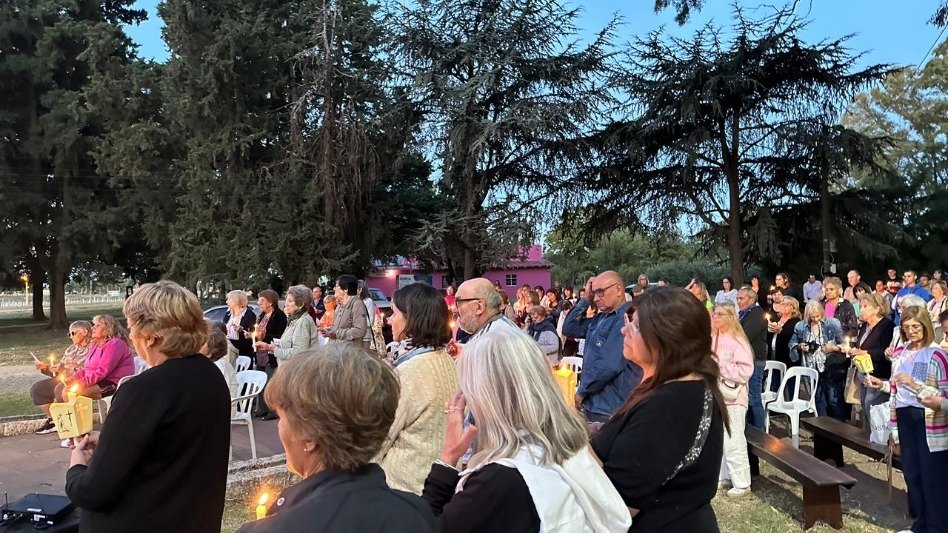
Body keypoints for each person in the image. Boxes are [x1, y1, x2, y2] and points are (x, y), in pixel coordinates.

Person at [422, 328, 632, 532]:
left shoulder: (499, 481)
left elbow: (426, 526)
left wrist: (447, 459)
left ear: (485, 398)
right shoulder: (565, 446)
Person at [66, 281, 230, 532]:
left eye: (131, 327)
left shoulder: (142, 390)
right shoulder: (210, 375)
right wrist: (112, 440)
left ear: (150, 335)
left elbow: (93, 492)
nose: (130, 336)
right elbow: (173, 447)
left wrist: (76, 466)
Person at [238, 344, 437, 532]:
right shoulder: (417, 514)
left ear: (309, 435)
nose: (279, 427)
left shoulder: (276, 527)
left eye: (281, 417)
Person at [593, 287, 726, 531]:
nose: (624, 330)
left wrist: (570, 440)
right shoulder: (676, 388)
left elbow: (619, 504)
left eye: (635, 326)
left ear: (665, 339)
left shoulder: (673, 405)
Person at [864, 307, 948, 533]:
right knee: (912, 472)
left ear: (925, 325)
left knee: (932, 475)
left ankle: (938, 527)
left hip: (927, 418)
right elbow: (896, 386)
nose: (911, 331)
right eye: (906, 327)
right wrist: (881, 384)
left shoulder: (937, 354)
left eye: (915, 326)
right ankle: (920, 524)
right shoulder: (901, 352)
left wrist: (915, 385)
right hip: (903, 414)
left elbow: (943, 394)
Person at [374, 283, 458, 494]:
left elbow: (380, 437)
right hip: (438, 481)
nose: (389, 320)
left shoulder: (410, 372)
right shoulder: (445, 359)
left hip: (405, 487)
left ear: (411, 320)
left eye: (394, 313)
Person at [562, 271, 642, 424]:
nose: (596, 298)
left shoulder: (626, 318)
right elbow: (569, 329)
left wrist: (582, 391)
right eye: (594, 293)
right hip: (594, 403)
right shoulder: (600, 318)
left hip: (608, 406)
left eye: (600, 292)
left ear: (618, 290)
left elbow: (609, 364)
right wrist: (585, 299)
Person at [711, 303, 754, 498]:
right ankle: (724, 477)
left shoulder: (738, 341)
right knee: (719, 439)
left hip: (734, 397)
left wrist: (720, 366)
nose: (715, 317)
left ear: (730, 317)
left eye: (720, 314)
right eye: (714, 314)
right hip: (715, 394)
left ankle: (742, 483)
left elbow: (745, 370)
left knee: (734, 439)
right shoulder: (713, 338)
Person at [32, 321, 93, 434]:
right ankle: (54, 421)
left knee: (60, 389)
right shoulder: (71, 349)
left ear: (84, 332)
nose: (70, 336)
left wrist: (69, 372)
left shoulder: (94, 348)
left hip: (82, 380)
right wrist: (47, 368)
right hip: (65, 379)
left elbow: (90, 370)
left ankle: (70, 424)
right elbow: (60, 372)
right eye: (69, 334)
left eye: (73, 333)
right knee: (38, 389)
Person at [790, 301, 846, 420]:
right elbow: (792, 342)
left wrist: (832, 348)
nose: (815, 319)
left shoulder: (832, 323)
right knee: (818, 399)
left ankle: (839, 425)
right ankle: (823, 425)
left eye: (818, 316)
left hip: (829, 365)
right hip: (811, 367)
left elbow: (844, 345)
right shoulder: (801, 326)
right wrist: (800, 346)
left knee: (833, 399)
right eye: (812, 317)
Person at [60, 315, 135, 404]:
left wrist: (80, 383)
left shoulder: (116, 344)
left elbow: (102, 371)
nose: (93, 328)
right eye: (94, 325)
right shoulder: (96, 344)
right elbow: (87, 369)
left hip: (113, 382)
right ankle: (70, 413)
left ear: (109, 328)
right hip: (98, 380)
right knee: (64, 389)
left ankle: (80, 413)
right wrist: (73, 379)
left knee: (73, 394)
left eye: (98, 325)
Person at [845, 293, 894, 427]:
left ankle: (878, 437)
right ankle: (867, 436)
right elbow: (861, 345)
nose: (861, 309)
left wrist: (863, 352)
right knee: (865, 408)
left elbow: (884, 352)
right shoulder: (865, 326)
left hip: (879, 374)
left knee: (872, 408)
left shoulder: (887, 326)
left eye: (865, 306)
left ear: (877, 309)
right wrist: (851, 348)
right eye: (861, 306)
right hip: (864, 373)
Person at [256, 285, 318, 361]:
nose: (286, 304)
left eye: (290, 301)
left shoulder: (302, 322)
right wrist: (268, 347)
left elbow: (299, 353)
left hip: (295, 367)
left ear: (300, 305)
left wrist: (275, 350)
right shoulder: (294, 319)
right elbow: (287, 345)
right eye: (286, 300)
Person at [252, 289, 287, 419]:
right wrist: (252, 335)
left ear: (270, 302)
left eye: (262, 301)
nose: (259, 303)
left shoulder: (279, 316)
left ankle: (273, 411)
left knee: (269, 382)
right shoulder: (262, 315)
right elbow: (257, 332)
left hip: (271, 353)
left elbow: (280, 335)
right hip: (260, 353)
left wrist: (264, 336)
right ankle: (263, 408)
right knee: (260, 380)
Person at [736, 287, 768, 429]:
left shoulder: (757, 314)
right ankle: (750, 429)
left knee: (754, 398)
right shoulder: (744, 314)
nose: (738, 301)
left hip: (755, 361)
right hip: (745, 360)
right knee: (747, 397)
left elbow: (745, 335)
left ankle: (760, 431)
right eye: (737, 298)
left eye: (741, 298)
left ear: (751, 300)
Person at [454, 277, 520, 338]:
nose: (454, 309)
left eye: (459, 302)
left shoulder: (494, 338)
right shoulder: (500, 328)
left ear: (479, 307)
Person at [323, 275, 369, 347]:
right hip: (335, 349)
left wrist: (336, 333)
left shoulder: (357, 304)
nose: (334, 288)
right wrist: (329, 330)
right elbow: (339, 327)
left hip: (349, 351)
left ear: (345, 289)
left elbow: (360, 331)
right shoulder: (340, 305)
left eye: (336, 286)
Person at [201, 324, 237, 399]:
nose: (199, 345)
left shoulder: (220, 366)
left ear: (212, 346)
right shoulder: (209, 363)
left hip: (223, 403)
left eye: (203, 343)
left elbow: (222, 392)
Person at [767, 296, 802, 371]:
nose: (783, 306)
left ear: (794, 308)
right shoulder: (776, 319)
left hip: (786, 358)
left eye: (786, 304)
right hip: (773, 355)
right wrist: (769, 331)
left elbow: (793, 339)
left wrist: (781, 331)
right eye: (782, 303)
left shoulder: (796, 322)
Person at [224, 290, 257, 360]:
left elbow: (253, 333)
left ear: (236, 301)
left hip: (242, 350)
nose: (226, 302)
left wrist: (242, 330)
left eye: (229, 299)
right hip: (227, 348)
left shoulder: (249, 314)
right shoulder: (228, 314)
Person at [357, 280, 379, 350]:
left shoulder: (368, 301)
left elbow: (370, 321)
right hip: (356, 336)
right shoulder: (356, 302)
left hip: (365, 336)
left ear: (360, 290)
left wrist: (356, 323)